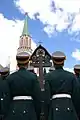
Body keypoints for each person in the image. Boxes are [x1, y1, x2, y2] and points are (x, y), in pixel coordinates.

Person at [4, 51, 41, 120]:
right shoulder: (33, 77)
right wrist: (37, 113)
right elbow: (37, 97)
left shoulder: (10, 78)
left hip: (13, 109)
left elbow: (6, 99)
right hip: (30, 109)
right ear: (27, 64)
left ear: (18, 64)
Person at [45, 51, 80, 120]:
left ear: (53, 62)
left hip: (54, 107)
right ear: (63, 62)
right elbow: (76, 96)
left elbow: (46, 96)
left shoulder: (48, 76)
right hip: (69, 106)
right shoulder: (71, 76)